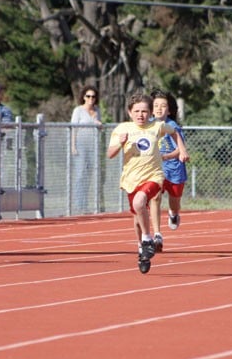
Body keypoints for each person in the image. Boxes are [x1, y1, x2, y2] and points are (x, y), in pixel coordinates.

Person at [107, 93, 189, 274]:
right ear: (130, 112)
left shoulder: (157, 126)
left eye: (144, 111)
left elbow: (174, 132)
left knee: (140, 202)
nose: (141, 115)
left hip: (154, 176)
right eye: (137, 111)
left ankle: (147, 238)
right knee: (137, 217)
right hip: (131, 179)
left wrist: (181, 149)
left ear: (150, 112)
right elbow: (110, 154)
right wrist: (120, 144)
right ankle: (142, 251)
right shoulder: (123, 129)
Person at [149, 89, 187, 253]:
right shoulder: (148, 125)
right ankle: (157, 234)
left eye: (163, 106)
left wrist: (165, 157)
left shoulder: (172, 127)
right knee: (155, 197)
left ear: (169, 110)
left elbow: (181, 150)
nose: (158, 109)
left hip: (174, 169)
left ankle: (173, 213)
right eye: (156, 105)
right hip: (156, 170)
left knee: (175, 199)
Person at [70, 85, 102, 214]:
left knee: (89, 175)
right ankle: (79, 205)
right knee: (80, 174)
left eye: (93, 97)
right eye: (88, 96)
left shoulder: (97, 111)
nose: (90, 99)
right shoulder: (78, 110)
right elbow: (73, 128)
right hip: (80, 144)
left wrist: (99, 124)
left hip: (92, 145)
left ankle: (86, 204)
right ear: (83, 97)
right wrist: (73, 145)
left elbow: (99, 125)